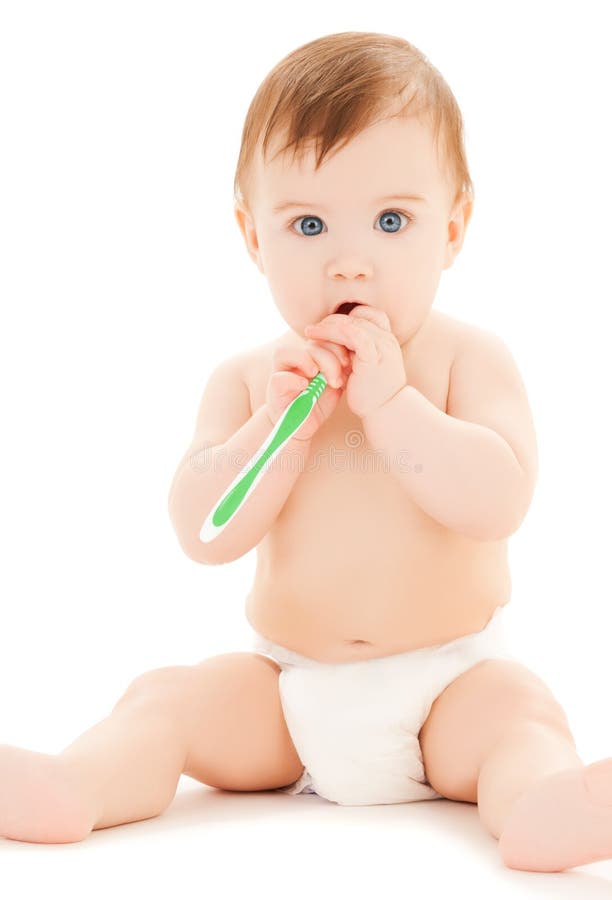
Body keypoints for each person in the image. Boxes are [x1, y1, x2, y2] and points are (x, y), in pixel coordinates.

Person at [2, 31, 611, 874]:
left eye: (392, 221)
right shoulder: (249, 382)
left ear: (454, 228)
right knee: (168, 698)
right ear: (254, 238)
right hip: (288, 692)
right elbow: (206, 534)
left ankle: (544, 808)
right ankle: (77, 785)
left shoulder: (468, 360)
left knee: (521, 715)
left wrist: (393, 409)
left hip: (448, 684)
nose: (349, 262)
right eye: (309, 224)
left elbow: (499, 500)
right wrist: (275, 431)